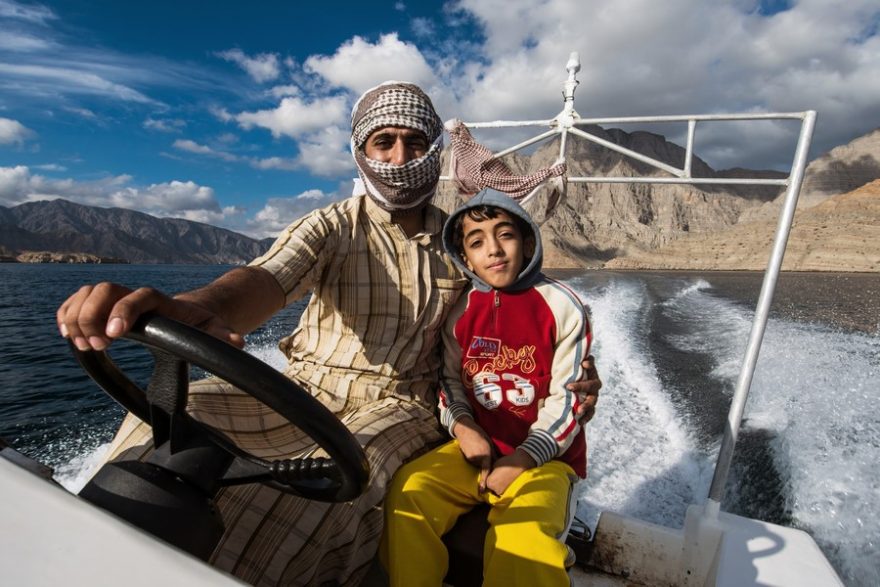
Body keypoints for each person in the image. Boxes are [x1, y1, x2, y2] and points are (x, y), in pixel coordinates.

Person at [56, 82, 601, 586]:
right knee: (175, 419)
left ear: (437, 150)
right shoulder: (333, 225)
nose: (399, 157)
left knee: (322, 496)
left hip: (402, 405)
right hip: (301, 388)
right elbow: (265, 278)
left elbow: (521, 311)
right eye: (382, 142)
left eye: (415, 142)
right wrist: (196, 306)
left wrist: (571, 375)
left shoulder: (463, 244)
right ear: (360, 151)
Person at [382, 189, 590, 586]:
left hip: (545, 460)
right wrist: (464, 428)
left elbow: (570, 398)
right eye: (477, 242)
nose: (493, 250)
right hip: (474, 451)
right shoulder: (460, 310)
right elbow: (449, 381)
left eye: (505, 235)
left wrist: (524, 459)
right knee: (408, 494)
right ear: (465, 256)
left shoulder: (563, 306)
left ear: (528, 242)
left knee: (524, 539)